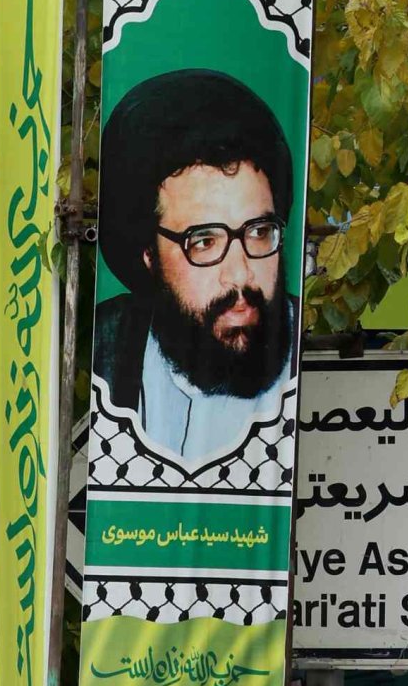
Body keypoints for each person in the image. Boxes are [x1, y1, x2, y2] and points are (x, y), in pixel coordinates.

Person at [90, 69, 296, 475]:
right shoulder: (101, 350)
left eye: (258, 232)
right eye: (204, 242)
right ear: (149, 254)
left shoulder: (313, 350)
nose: (240, 276)